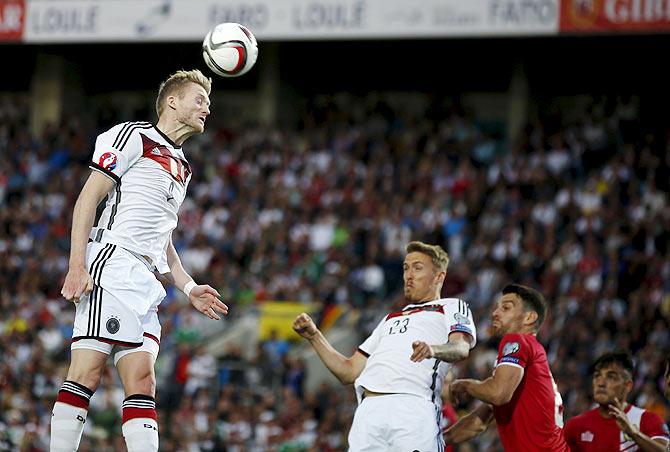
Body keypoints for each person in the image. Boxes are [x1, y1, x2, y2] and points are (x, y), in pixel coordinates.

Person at [51, 69, 229, 452]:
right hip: (112, 265)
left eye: (209, 103)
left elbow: (162, 239)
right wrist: (76, 264)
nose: (206, 109)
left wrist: (189, 285)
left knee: (144, 381)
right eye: (199, 100)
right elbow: (87, 199)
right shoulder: (134, 136)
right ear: (172, 101)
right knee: (87, 374)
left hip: (147, 281)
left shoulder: (183, 166)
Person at [293, 241, 476, 451]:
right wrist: (315, 336)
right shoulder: (390, 318)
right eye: (406, 268)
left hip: (412, 407)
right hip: (369, 411)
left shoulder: (452, 306)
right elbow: (349, 371)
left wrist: (434, 349)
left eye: (417, 268)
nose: (409, 275)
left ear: (438, 276)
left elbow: (461, 348)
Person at [444, 283, 569, 451]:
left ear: (529, 318)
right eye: (497, 307)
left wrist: (464, 385)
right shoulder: (527, 364)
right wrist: (441, 438)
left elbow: (498, 394)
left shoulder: (518, 340)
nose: (495, 313)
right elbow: (478, 423)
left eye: (506, 308)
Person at [563, 351, 669, 451]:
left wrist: (634, 434)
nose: (601, 383)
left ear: (628, 386)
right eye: (597, 376)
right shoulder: (575, 426)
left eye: (611, 377)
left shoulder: (647, 420)